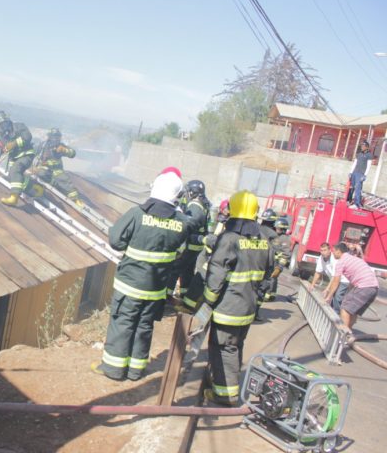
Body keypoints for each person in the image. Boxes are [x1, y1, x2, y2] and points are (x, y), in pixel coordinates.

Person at [91, 170, 190, 381]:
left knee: (123, 322)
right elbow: (181, 252)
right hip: (156, 289)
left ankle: (114, 369)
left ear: (155, 188)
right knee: (144, 325)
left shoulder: (137, 214)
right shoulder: (182, 222)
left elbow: (116, 241)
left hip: (130, 285)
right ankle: (136, 370)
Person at [199, 190, 274, 405]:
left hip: (228, 309)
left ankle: (225, 395)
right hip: (248, 309)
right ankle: (226, 387)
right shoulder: (264, 241)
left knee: (223, 349)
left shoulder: (230, 239)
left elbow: (216, 273)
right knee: (235, 346)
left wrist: (207, 301)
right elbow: (268, 275)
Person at [166, 180, 210, 299]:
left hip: (190, 245)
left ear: (192, 192)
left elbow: (189, 225)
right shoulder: (203, 203)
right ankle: (185, 294)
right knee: (187, 271)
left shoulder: (194, 205)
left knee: (175, 269)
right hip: (196, 246)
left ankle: (166, 296)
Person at [322, 242, 379, 333]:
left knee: (345, 308)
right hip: (374, 288)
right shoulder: (355, 259)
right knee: (353, 311)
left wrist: (329, 296)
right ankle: (348, 334)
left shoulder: (341, 262)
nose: (333, 253)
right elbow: (354, 280)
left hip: (364, 286)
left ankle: (342, 335)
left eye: (334, 251)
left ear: (338, 251)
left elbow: (336, 281)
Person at [0, 110, 37, 206]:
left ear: (8, 120)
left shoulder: (19, 126)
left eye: (5, 123)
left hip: (26, 155)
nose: (4, 126)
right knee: (12, 176)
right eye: (1, 124)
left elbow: (28, 137)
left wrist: (14, 143)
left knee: (15, 169)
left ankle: (14, 197)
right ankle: (33, 188)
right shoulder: (1, 137)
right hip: (14, 158)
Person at [32, 128, 84, 208]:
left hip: (57, 170)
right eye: (53, 136)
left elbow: (72, 154)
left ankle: (76, 200)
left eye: (57, 137)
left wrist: (64, 150)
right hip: (44, 168)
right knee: (41, 173)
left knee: (65, 180)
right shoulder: (42, 145)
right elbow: (33, 152)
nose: (55, 139)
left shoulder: (61, 146)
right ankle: (51, 186)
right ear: (49, 137)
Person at [309, 242, 349, 313]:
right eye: (321, 250)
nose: (323, 252)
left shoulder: (335, 259)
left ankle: (336, 314)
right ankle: (331, 312)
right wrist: (312, 285)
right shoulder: (321, 258)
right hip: (335, 279)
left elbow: (334, 277)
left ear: (329, 250)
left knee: (337, 296)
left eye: (325, 250)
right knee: (331, 297)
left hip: (343, 280)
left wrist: (327, 289)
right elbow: (318, 272)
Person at [348, 140, 372, 209]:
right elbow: (355, 163)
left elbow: (368, 166)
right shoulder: (358, 154)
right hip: (354, 172)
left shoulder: (369, 155)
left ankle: (357, 204)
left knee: (358, 188)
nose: (362, 147)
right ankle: (349, 201)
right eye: (361, 146)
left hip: (361, 174)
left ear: (367, 147)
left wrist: (365, 175)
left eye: (363, 146)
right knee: (351, 187)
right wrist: (351, 172)